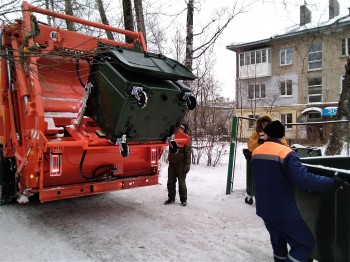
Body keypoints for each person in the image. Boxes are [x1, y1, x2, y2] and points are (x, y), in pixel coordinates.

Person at [251, 120, 346, 262]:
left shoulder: (257, 151)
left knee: (279, 246)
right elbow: (304, 179)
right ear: (282, 135)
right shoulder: (286, 153)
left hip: (264, 209)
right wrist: (331, 183)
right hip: (282, 210)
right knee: (305, 244)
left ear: (267, 134)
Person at [164, 123, 191, 207]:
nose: (180, 130)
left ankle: (183, 200)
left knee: (181, 183)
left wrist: (187, 164)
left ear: (184, 130)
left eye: (182, 128)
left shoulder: (186, 138)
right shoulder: (172, 136)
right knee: (170, 182)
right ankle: (171, 198)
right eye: (179, 128)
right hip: (172, 163)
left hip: (181, 164)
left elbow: (188, 151)